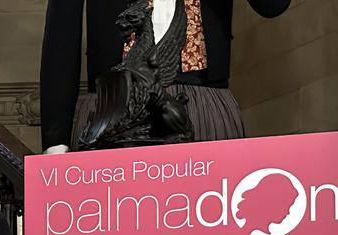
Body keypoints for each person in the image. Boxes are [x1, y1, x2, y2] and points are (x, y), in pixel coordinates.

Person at [40, 0, 292, 153]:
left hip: (202, 103)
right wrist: (56, 139)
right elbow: (62, 32)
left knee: (209, 226)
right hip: (114, 104)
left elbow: (272, 5)